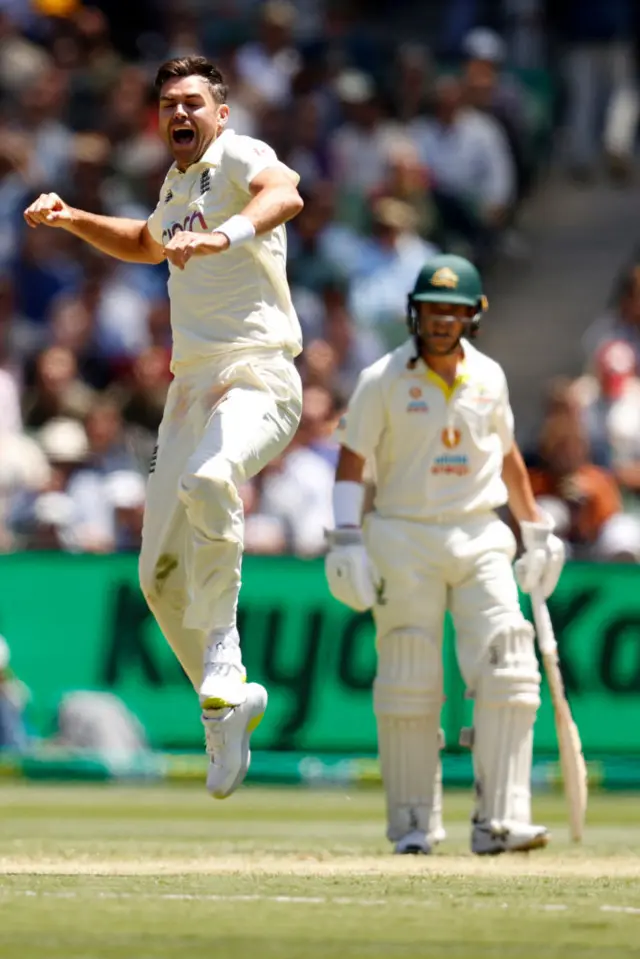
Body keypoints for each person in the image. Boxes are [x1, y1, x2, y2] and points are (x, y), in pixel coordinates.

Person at [24, 56, 304, 800]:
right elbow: (148, 243)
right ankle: (224, 705)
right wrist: (72, 218)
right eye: (167, 105)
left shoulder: (240, 158)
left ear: (221, 111)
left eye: (192, 102)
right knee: (157, 579)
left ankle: (224, 657)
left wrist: (227, 236)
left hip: (258, 374)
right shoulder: (176, 186)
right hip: (190, 389)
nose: (178, 114)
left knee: (210, 478)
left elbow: (287, 194)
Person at [325, 254, 565, 856]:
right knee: (409, 671)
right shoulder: (382, 378)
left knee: (509, 660)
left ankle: (501, 820)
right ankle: (413, 824)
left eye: (452, 312)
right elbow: (352, 460)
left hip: (480, 530)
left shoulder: (490, 377)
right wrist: (346, 536)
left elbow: (506, 455)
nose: (440, 321)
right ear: (415, 311)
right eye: (432, 309)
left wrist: (535, 527)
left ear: (472, 317)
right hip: (403, 533)